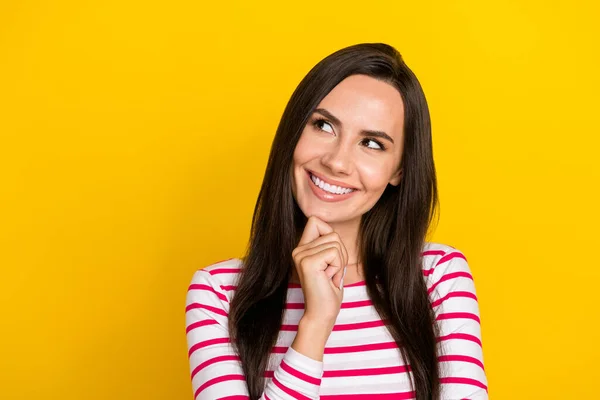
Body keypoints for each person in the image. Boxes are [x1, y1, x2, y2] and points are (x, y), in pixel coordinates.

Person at [185, 43, 488, 400]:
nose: (337, 162)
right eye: (324, 125)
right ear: (294, 132)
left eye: (373, 144)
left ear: (400, 170)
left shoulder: (437, 276)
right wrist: (315, 325)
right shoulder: (219, 293)